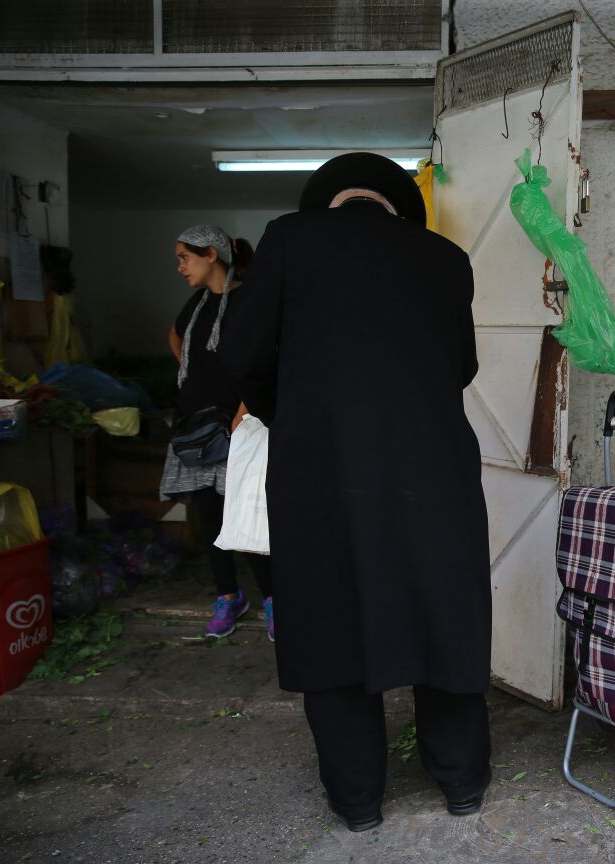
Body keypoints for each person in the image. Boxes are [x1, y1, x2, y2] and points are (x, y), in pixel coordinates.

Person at [218, 153, 491, 831]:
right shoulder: (445, 258)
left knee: (330, 618)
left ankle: (359, 801)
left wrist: (295, 410)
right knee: (442, 616)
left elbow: (242, 356)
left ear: (329, 203)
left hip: (323, 470)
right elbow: (462, 366)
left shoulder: (289, 238)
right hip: (433, 469)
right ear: (397, 206)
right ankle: (462, 785)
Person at [160, 226, 274, 641]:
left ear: (210, 254)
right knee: (209, 516)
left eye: (184, 258)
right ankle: (228, 596)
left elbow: (265, 358)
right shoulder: (197, 302)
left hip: (235, 426)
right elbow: (175, 336)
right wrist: (196, 375)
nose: (180, 267)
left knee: (245, 513)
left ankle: (272, 598)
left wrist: (244, 407)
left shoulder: (247, 301)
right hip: (195, 423)